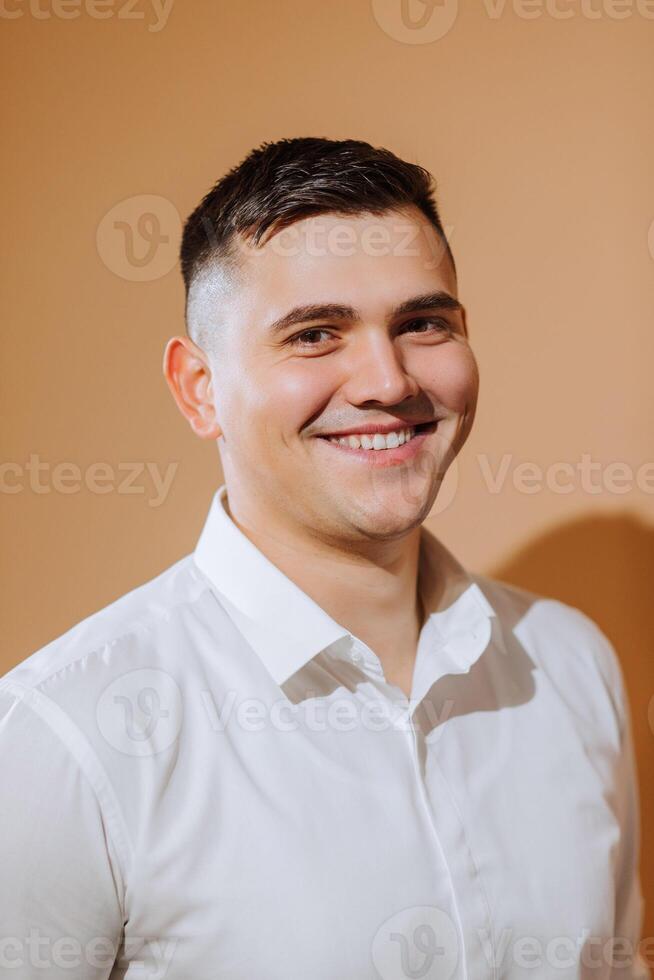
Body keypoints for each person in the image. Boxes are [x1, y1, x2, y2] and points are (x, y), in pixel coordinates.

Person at [0, 137, 648, 979]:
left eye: (423, 323)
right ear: (200, 389)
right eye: (315, 335)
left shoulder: (570, 663)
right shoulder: (64, 737)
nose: (386, 380)